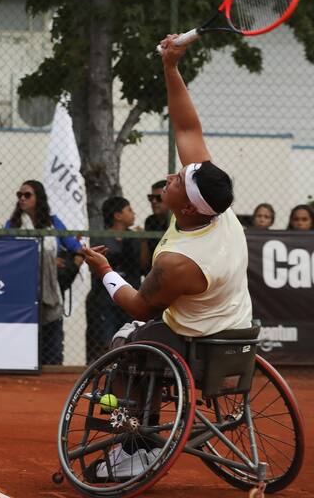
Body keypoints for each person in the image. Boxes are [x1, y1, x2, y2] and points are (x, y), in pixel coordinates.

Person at [81, 35, 253, 478]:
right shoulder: (215, 209)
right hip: (237, 335)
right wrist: (172, 66)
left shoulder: (178, 261)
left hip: (195, 346)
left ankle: (132, 445)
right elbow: (188, 129)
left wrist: (105, 272)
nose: (172, 175)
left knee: (125, 344)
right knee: (143, 334)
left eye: (177, 181)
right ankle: (142, 432)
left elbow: (139, 304)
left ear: (187, 207)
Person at [5, 180, 82, 366]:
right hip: (24, 292)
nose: (22, 198)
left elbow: (75, 247)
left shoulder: (53, 223)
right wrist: (45, 258)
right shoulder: (13, 224)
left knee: (53, 348)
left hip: (51, 288)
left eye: (27, 195)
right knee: (26, 349)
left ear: (38, 198)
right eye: (19, 195)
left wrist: (72, 264)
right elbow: (7, 253)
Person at [85, 197, 144, 361]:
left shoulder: (136, 237)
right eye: (129, 210)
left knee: (129, 336)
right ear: (118, 215)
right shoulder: (102, 238)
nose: (134, 214)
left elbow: (143, 264)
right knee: (105, 337)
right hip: (104, 297)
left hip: (130, 292)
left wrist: (143, 239)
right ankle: (105, 368)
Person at [143, 180, 168, 271]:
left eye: (159, 198)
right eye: (151, 197)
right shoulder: (150, 221)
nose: (154, 201)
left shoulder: (179, 221)